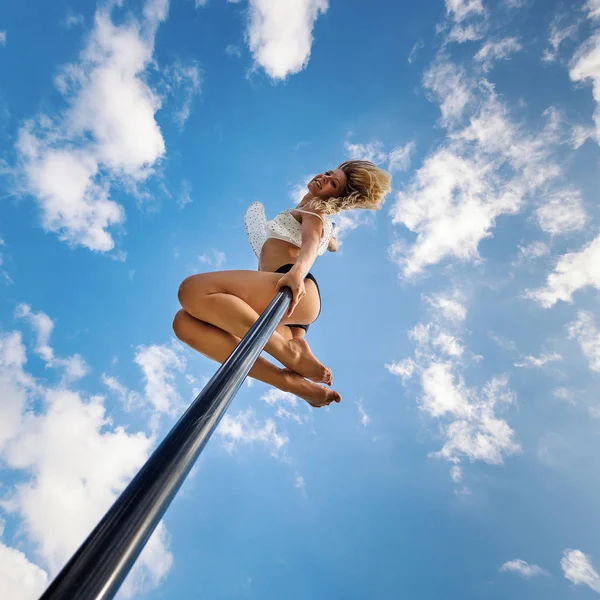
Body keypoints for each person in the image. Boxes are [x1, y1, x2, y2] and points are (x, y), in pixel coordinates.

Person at [173, 160, 392, 408]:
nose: (324, 177)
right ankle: (288, 381)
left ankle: (290, 353)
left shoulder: (315, 208)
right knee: (185, 324)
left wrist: (298, 273)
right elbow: (326, 241)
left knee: (192, 290)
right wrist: (331, 241)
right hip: (289, 314)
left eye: (333, 183)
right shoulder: (310, 209)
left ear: (336, 199)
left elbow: (310, 242)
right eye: (329, 173)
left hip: (290, 287)